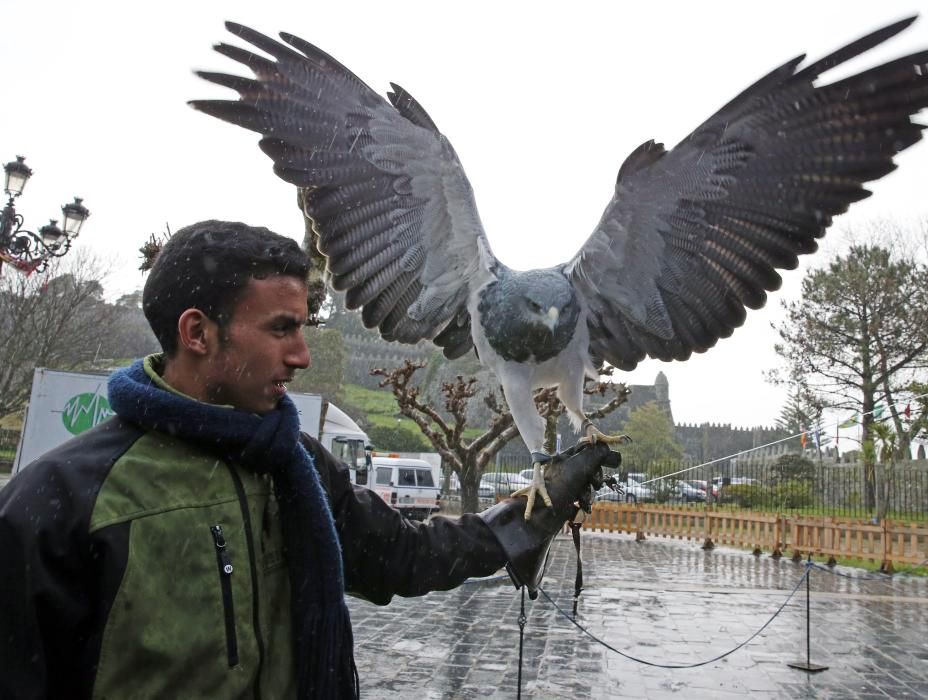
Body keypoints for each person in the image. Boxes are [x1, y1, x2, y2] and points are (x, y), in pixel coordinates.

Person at [0, 220, 616, 699]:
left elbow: (400, 556)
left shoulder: (294, 464)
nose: (301, 354)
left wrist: (527, 521)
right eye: (280, 329)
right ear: (197, 334)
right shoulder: (60, 504)